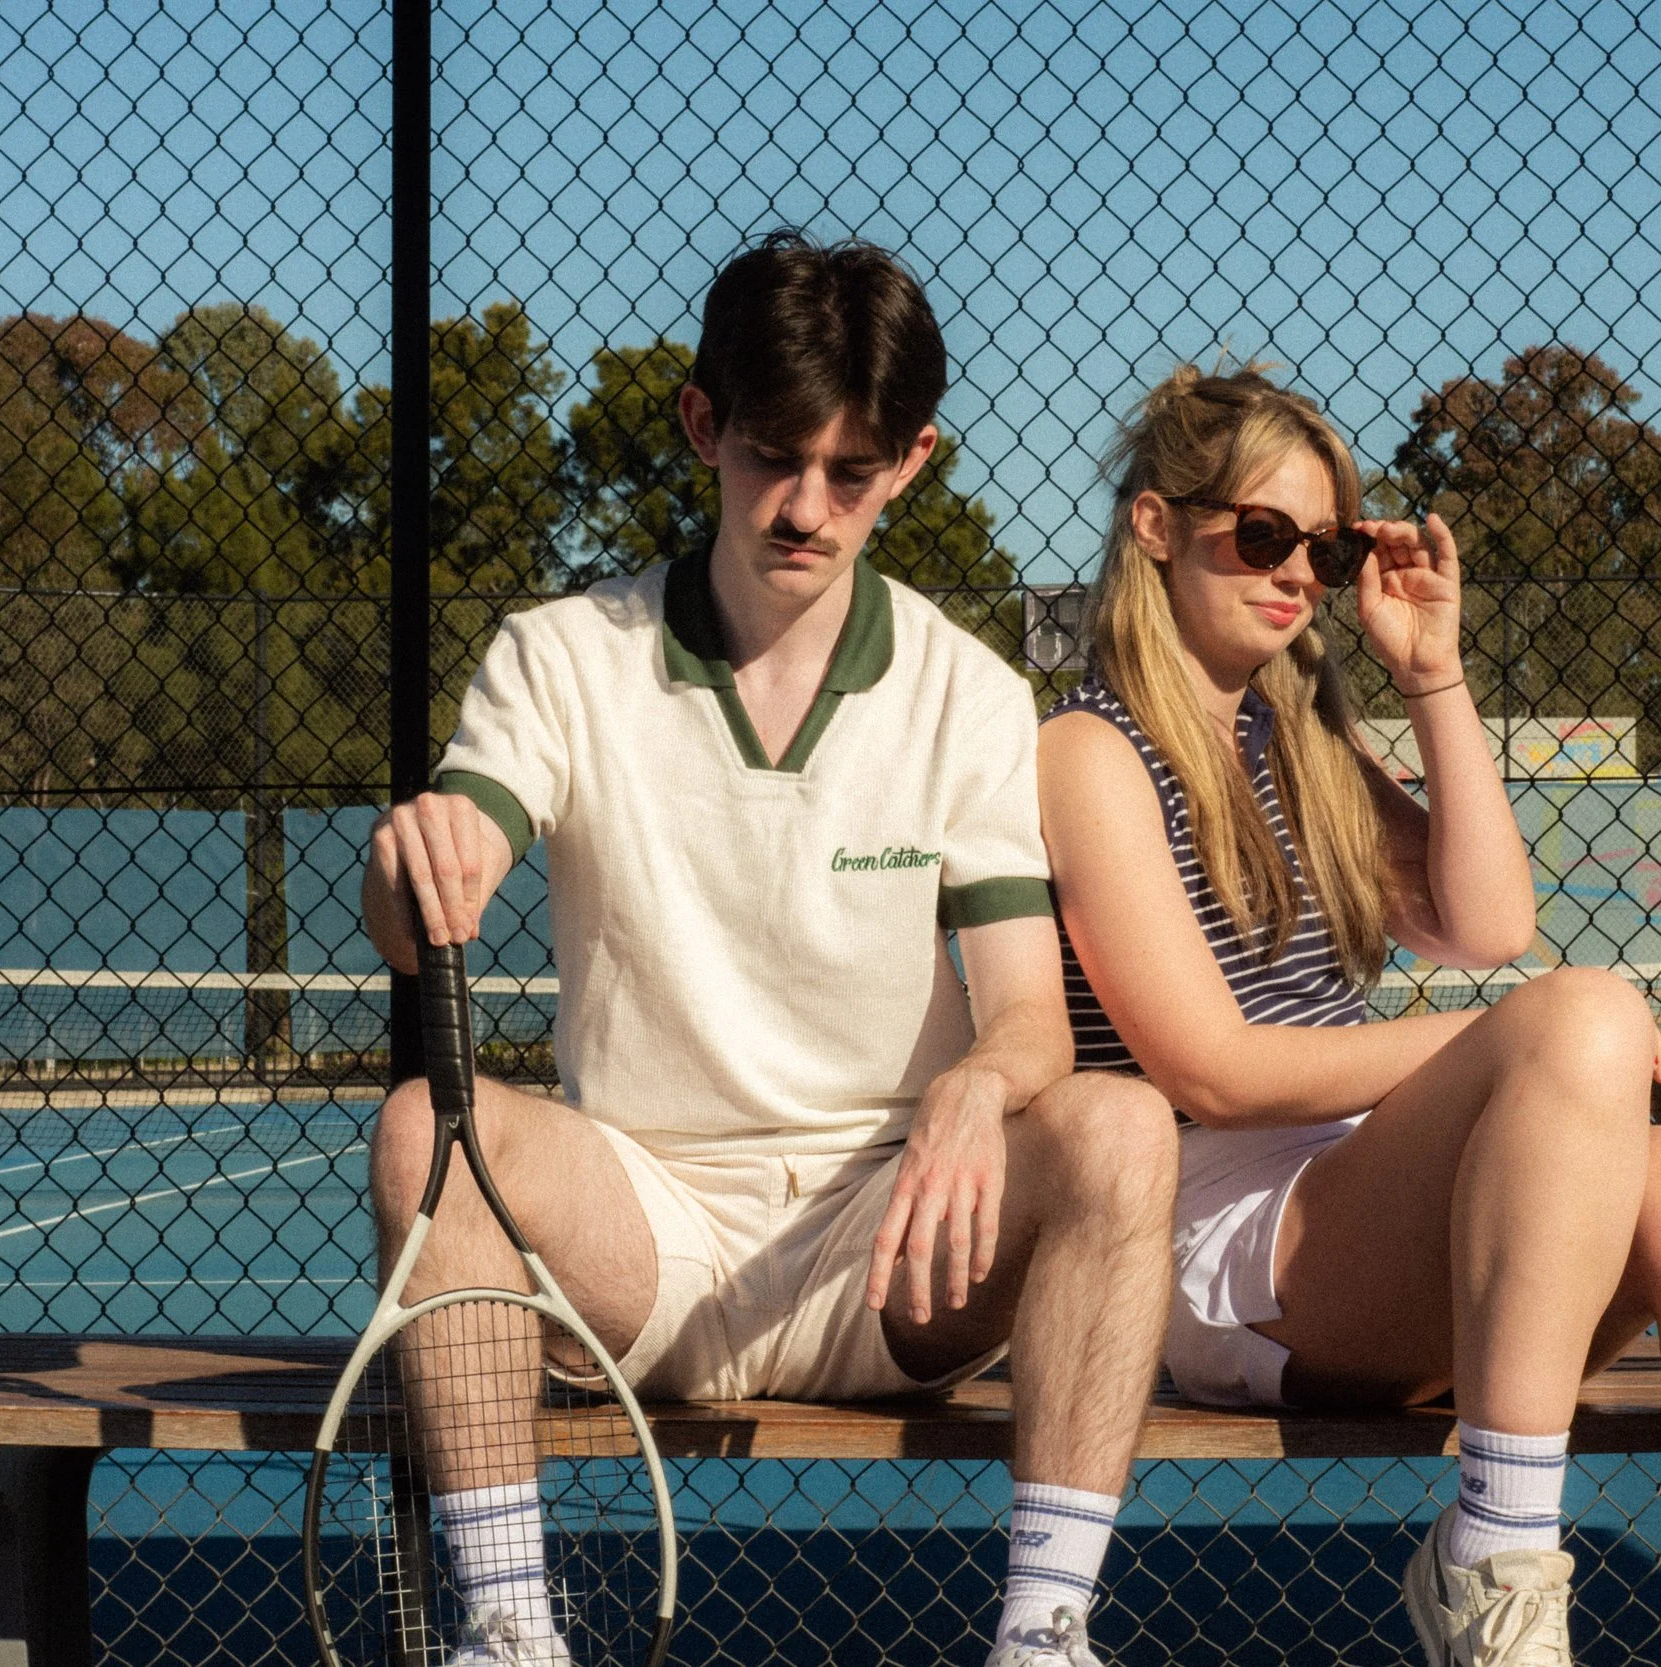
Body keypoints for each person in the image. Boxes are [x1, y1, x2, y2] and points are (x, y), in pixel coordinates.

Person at [1035, 363, 1661, 1667]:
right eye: (1262, 533)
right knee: (1576, 1013)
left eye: (1327, 541)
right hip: (1230, 1245)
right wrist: (1523, 1032)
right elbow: (1215, 1070)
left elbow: (1486, 922)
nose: (1299, 569)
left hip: (1387, 1227)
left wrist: (1431, 672)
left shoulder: (1301, 739)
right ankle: (1497, 1575)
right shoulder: (1091, 748)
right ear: (1154, 527)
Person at [361, 232, 1176, 1667]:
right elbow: (448, 867)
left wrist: (978, 1090)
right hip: (646, 1241)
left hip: (897, 1244)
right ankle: (507, 1629)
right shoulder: (559, 658)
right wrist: (422, 864)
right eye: (769, 457)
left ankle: (1045, 1636)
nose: (805, 506)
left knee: (1116, 1126)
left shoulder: (970, 695)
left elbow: (1031, 1019)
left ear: (914, 461)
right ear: (701, 428)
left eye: (851, 472)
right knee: (428, 1121)